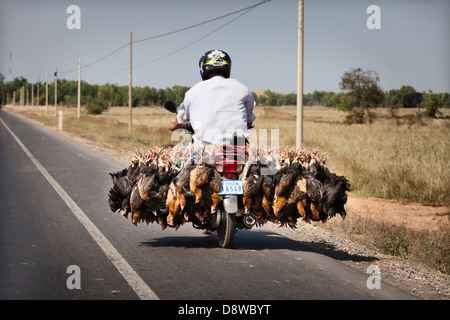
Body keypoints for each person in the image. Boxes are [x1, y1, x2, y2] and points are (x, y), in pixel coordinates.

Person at [168, 49, 255, 146]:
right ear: (228, 67)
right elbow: (248, 121)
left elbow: (181, 120)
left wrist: (173, 126)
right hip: (237, 150)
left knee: (178, 156)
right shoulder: (243, 89)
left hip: (205, 151)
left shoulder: (192, 92)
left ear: (203, 68)